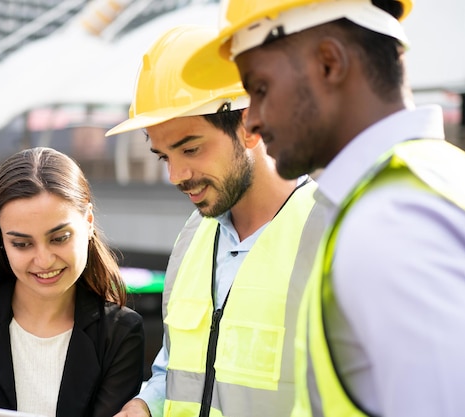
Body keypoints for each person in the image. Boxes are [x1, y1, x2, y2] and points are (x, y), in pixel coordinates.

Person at [181, 1, 465, 416]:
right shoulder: (436, 177)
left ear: (329, 63)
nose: (253, 119)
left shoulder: (390, 224)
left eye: (259, 89)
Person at [106, 25, 325, 417]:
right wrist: (146, 405)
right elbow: (177, 369)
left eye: (190, 148)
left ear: (250, 126)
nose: (175, 175)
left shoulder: (330, 235)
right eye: (164, 157)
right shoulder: (192, 238)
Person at [0, 147, 145, 417]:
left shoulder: (120, 333)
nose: (43, 261)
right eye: (21, 244)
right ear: (1, 242)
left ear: (88, 222)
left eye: (59, 238)